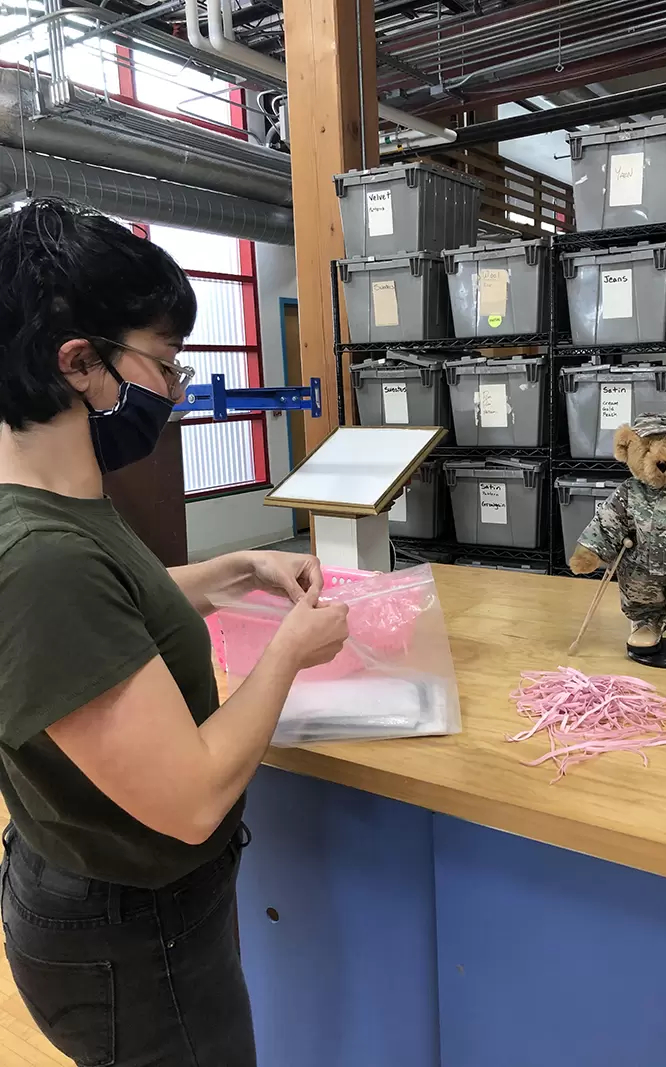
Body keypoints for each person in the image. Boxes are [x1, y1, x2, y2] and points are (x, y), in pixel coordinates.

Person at [0, 200, 349, 1066]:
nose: (178, 390)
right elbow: (192, 798)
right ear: (79, 363)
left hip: (115, 900)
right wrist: (288, 653)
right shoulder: (42, 556)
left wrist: (237, 571)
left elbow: (116, 612)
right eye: (163, 363)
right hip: (129, 934)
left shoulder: (57, 507)